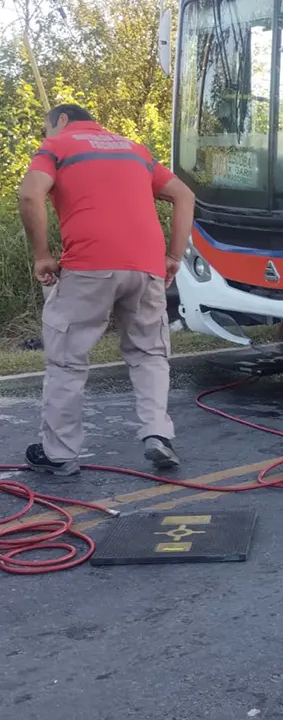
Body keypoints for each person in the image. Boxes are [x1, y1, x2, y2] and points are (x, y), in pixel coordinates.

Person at [17, 103, 196, 476]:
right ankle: (157, 434)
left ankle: (59, 454)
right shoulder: (134, 149)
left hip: (88, 265)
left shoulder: (57, 146)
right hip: (146, 266)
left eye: (45, 128)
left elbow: (30, 194)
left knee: (67, 359)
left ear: (61, 120)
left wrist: (42, 256)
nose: (44, 136)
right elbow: (184, 195)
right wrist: (174, 256)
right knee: (149, 353)